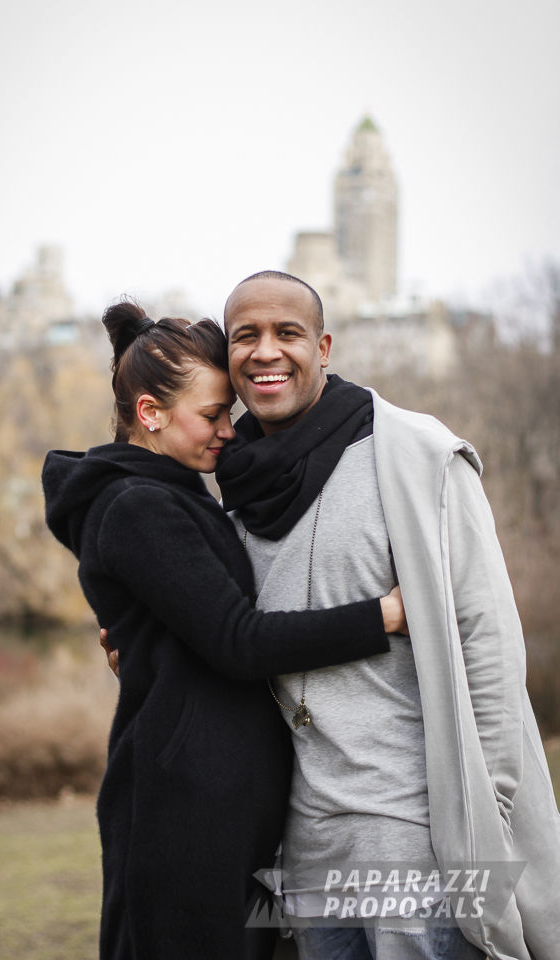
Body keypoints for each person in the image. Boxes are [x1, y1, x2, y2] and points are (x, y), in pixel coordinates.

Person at [41, 300, 408, 960]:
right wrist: (380, 615)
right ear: (150, 413)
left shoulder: (172, 493)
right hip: (186, 809)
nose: (227, 432)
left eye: (227, 414)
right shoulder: (137, 505)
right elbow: (239, 640)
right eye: (211, 415)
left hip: (221, 801)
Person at [211, 269, 560, 960]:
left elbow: (486, 640)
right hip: (306, 839)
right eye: (244, 336)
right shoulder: (234, 484)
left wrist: (483, 811)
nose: (265, 351)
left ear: (324, 346)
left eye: (287, 333)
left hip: (417, 831)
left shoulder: (416, 456)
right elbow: (236, 640)